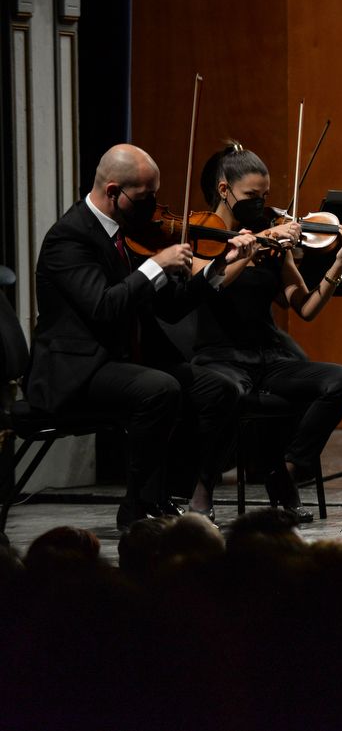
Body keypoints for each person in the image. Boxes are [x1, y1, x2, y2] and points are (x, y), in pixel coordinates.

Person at [26, 143, 257, 531]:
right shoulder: (68, 239)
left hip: (120, 362)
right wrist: (154, 266)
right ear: (113, 192)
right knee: (159, 388)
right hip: (76, 369)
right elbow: (103, 307)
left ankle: (176, 494)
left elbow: (172, 307)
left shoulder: (130, 233)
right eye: (146, 197)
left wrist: (219, 266)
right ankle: (139, 508)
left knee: (220, 390)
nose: (154, 206)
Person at [186, 141, 342, 523]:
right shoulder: (200, 234)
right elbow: (210, 283)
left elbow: (306, 308)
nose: (261, 204)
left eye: (265, 196)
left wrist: (341, 260)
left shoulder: (272, 242)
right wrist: (245, 252)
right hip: (219, 359)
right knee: (228, 393)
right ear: (224, 190)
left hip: (267, 358)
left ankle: (288, 468)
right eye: (251, 195)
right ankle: (202, 486)